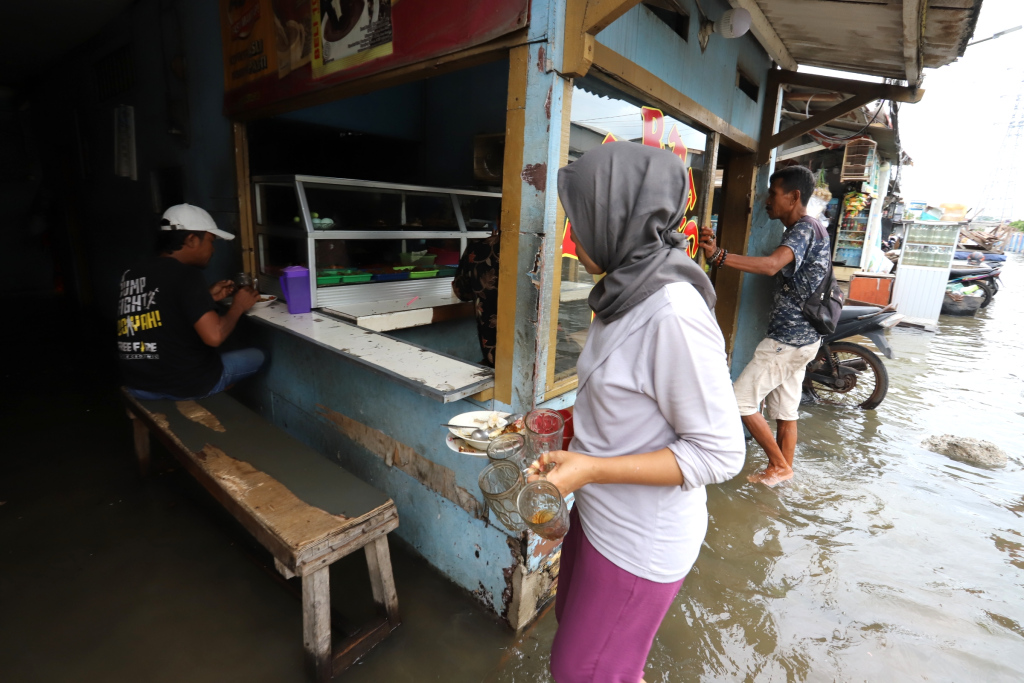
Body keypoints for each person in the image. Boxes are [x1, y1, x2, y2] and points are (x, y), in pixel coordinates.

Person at [530, 143, 745, 683]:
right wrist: (570, 432)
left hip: (638, 540)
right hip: (599, 515)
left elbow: (720, 453)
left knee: (583, 672)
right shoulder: (622, 293)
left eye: (580, 221)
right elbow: (626, 400)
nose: (572, 237)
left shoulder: (671, 312)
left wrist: (591, 468)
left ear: (618, 218)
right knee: (588, 655)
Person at [698, 165, 830, 487]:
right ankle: (784, 475)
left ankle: (778, 466)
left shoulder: (803, 229)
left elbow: (772, 266)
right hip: (805, 340)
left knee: (739, 400)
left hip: (787, 341)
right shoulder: (814, 229)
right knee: (786, 412)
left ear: (794, 196)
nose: (766, 201)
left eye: (773, 194)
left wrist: (718, 256)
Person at [118, 204, 264, 401]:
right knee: (259, 356)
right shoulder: (187, 275)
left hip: (139, 385)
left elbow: (161, 309)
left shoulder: (132, 272)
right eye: (211, 241)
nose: (212, 250)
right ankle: (221, 402)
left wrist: (206, 297)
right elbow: (215, 336)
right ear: (192, 240)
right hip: (185, 385)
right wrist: (239, 305)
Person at [452, 230, 499, 367]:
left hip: (494, 353)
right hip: (538, 353)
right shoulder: (542, 246)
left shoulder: (478, 248)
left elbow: (462, 292)